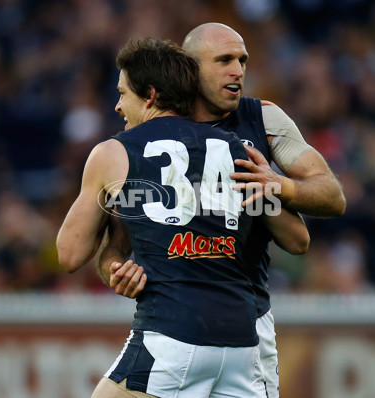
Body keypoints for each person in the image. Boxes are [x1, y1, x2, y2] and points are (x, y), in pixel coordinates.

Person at [98, 23, 346, 398]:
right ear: (190, 68)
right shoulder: (145, 139)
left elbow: (331, 197)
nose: (238, 71)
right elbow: (115, 243)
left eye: (242, 60)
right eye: (225, 60)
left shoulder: (262, 119)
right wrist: (114, 270)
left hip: (248, 320)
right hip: (176, 319)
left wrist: (276, 186)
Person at [57, 37, 307, 398]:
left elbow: (69, 254)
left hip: (173, 335)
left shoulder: (113, 153)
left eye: (123, 93)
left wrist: (113, 216)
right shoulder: (238, 151)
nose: (116, 106)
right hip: (243, 344)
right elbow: (298, 239)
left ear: (150, 96)